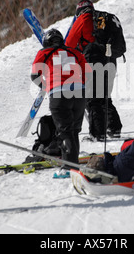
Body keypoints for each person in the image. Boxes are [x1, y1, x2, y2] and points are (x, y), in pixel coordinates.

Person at [31, 29, 89, 178]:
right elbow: (87, 73)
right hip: (79, 92)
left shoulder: (44, 52)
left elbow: (34, 75)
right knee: (73, 130)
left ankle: (69, 168)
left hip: (59, 92)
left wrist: (46, 86)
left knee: (65, 131)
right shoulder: (74, 52)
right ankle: (73, 164)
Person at [65, 0, 124, 141]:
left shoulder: (83, 18)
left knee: (92, 99)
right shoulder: (104, 20)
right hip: (111, 61)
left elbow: (69, 44)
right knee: (104, 96)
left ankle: (97, 134)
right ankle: (114, 128)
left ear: (79, 10)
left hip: (94, 61)